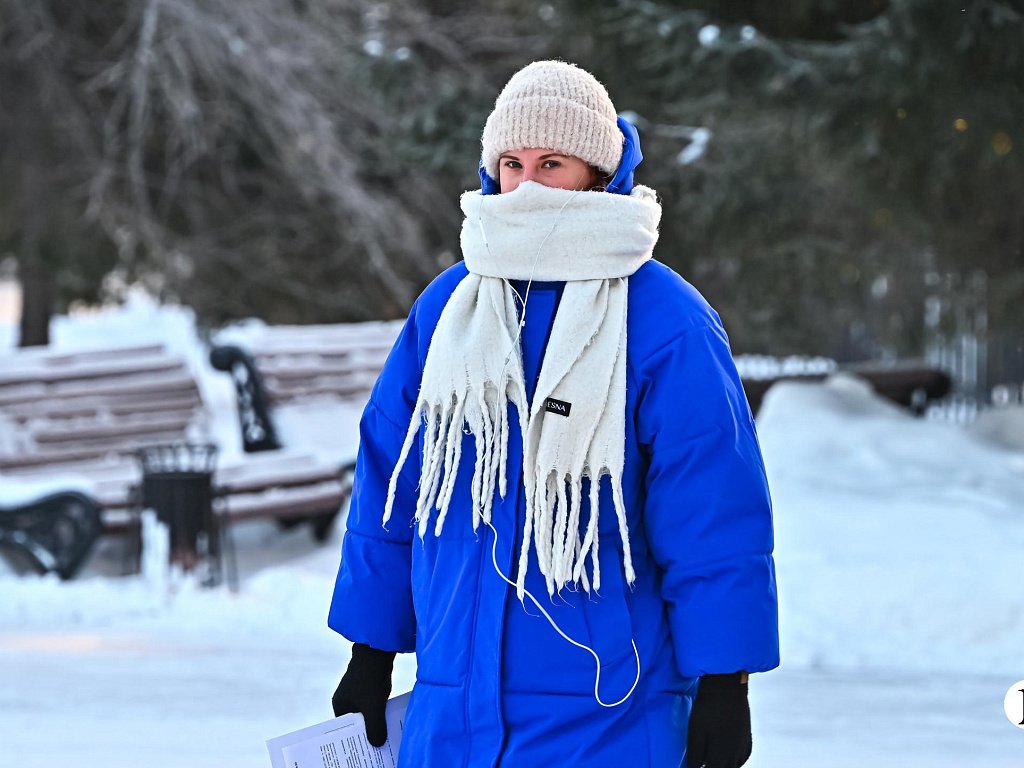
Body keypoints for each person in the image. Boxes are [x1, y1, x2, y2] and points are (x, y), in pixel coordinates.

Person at [328, 60, 779, 768]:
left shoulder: (665, 320)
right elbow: (392, 483)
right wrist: (371, 649)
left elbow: (712, 511)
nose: (528, 184)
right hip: (452, 710)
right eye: (512, 162)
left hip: (610, 715)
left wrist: (728, 679)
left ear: (599, 172)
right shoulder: (449, 310)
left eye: (552, 162)